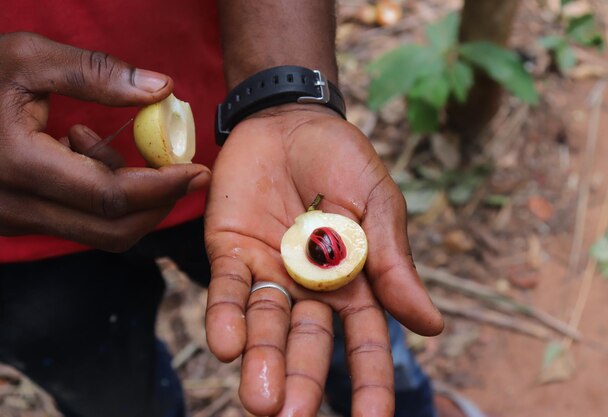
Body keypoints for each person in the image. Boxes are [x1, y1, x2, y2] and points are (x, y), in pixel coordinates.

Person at [0, 1, 447, 416]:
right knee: (114, 397)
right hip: (19, 222)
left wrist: (282, 93)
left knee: (338, 338)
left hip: (244, 174)